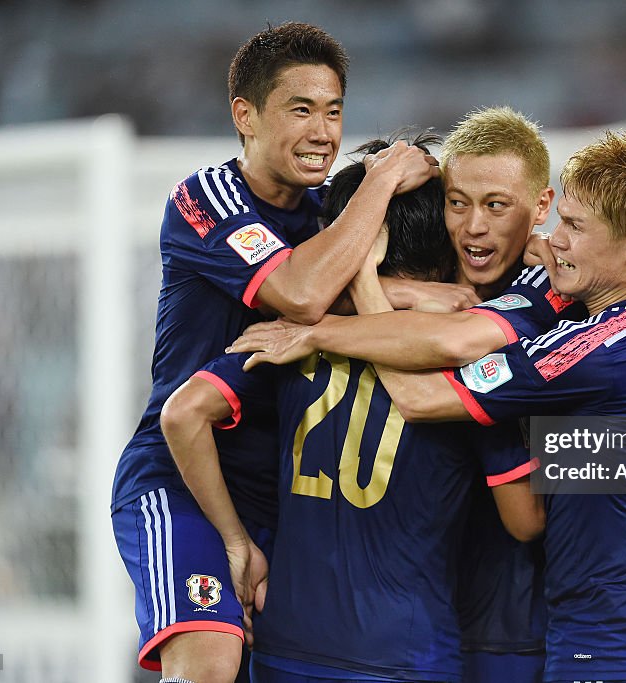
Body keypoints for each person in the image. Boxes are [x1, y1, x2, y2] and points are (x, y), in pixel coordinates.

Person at [245, 130, 626, 683]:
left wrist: (322, 328)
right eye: (560, 220)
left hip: (609, 641)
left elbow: (423, 397)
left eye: (574, 227)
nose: (553, 240)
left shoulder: (595, 348)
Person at [109, 23, 467, 683]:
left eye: (334, 112)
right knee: (210, 662)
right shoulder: (206, 197)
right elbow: (301, 293)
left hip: (280, 495)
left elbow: (363, 285)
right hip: (184, 477)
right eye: (301, 109)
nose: (324, 132)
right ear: (244, 115)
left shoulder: (322, 218)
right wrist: (383, 178)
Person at [162, 134, 544, 683]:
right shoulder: (475, 364)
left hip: (285, 644)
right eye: (459, 207)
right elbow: (524, 518)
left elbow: (183, 413)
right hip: (406, 651)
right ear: (445, 243)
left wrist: (234, 540)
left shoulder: (287, 340)